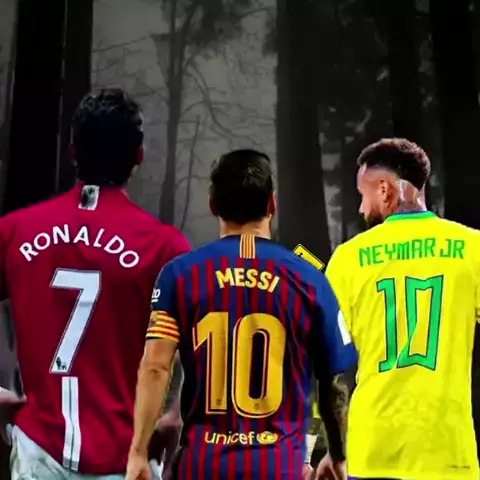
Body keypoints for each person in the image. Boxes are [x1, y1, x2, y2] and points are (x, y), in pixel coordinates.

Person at [125, 149, 357, 480]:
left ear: (213, 205)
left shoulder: (179, 275)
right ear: (271, 204)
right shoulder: (309, 279)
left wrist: (138, 452)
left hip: (202, 467)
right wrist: (337, 454)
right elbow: (334, 382)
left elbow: (156, 366)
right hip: (279, 468)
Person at [0, 88, 189, 479]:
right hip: (127, 455)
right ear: (138, 156)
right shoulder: (163, 247)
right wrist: (176, 412)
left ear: (73, 152)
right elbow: (205, 343)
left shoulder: (14, 231)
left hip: (39, 454)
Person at [319, 138, 480, 480]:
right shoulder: (472, 248)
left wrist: (334, 446)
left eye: (363, 195)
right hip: (447, 453)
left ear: (384, 190)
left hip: (372, 450)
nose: (361, 208)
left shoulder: (348, 259)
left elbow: (327, 366)